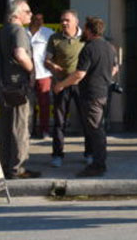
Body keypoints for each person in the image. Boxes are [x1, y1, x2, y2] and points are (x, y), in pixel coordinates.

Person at [53, 16, 117, 177]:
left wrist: (61, 85)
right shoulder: (109, 47)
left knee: (95, 130)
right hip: (104, 93)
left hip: (91, 94)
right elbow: (115, 68)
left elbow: (79, 74)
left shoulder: (88, 49)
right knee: (97, 128)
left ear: (89, 30)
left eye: (85, 28)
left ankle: (98, 164)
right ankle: (97, 162)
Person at [0, 0, 40, 179]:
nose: (31, 15)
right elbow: (20, 54)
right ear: (17, 14)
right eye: (27, 11)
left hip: (3, 84)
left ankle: (4, 165)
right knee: (20, 127)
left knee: (5, 127)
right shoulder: (19, 30)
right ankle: (18, 168)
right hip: (18, 85)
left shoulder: (1, 31)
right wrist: (32, 70)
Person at [45, 10, 86, 168]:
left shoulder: (85, 38)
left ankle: (89, 153)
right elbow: (46, 60)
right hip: (61, 85)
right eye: (62, 20)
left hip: (81, 85)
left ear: (76, 22)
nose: (64, 23)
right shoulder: (54, 38)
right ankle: (57, 155)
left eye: (67, 20)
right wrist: (52, 65)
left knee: (86, 120)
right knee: (59, 121)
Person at [27, 13, 54, 139]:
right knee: (28, 104)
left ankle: (44, 130)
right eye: (37, 19)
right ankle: (29, 130)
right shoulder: (22, 32)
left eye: (42, 19)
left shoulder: (48, 33)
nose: (40, 21)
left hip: (43, 73)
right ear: (31, 20)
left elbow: (55, 50)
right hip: (26, 74)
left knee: (44, 104)